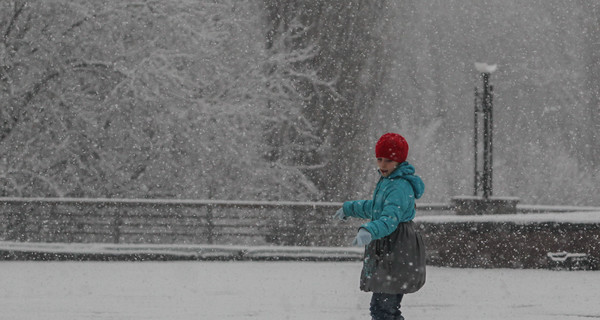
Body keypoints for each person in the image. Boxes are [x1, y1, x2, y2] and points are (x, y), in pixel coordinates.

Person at [333, 132, 426, 320]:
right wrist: (350, 208)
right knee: (385, 309)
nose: (382, 165)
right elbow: (377, 208)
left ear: (398, 161)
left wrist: (370, 230)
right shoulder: (389, 182)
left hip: (397, 250)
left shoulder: (398, 186)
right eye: (379, 159)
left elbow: (390, 219)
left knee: (382, 309)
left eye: (388, 160)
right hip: (391, 250)